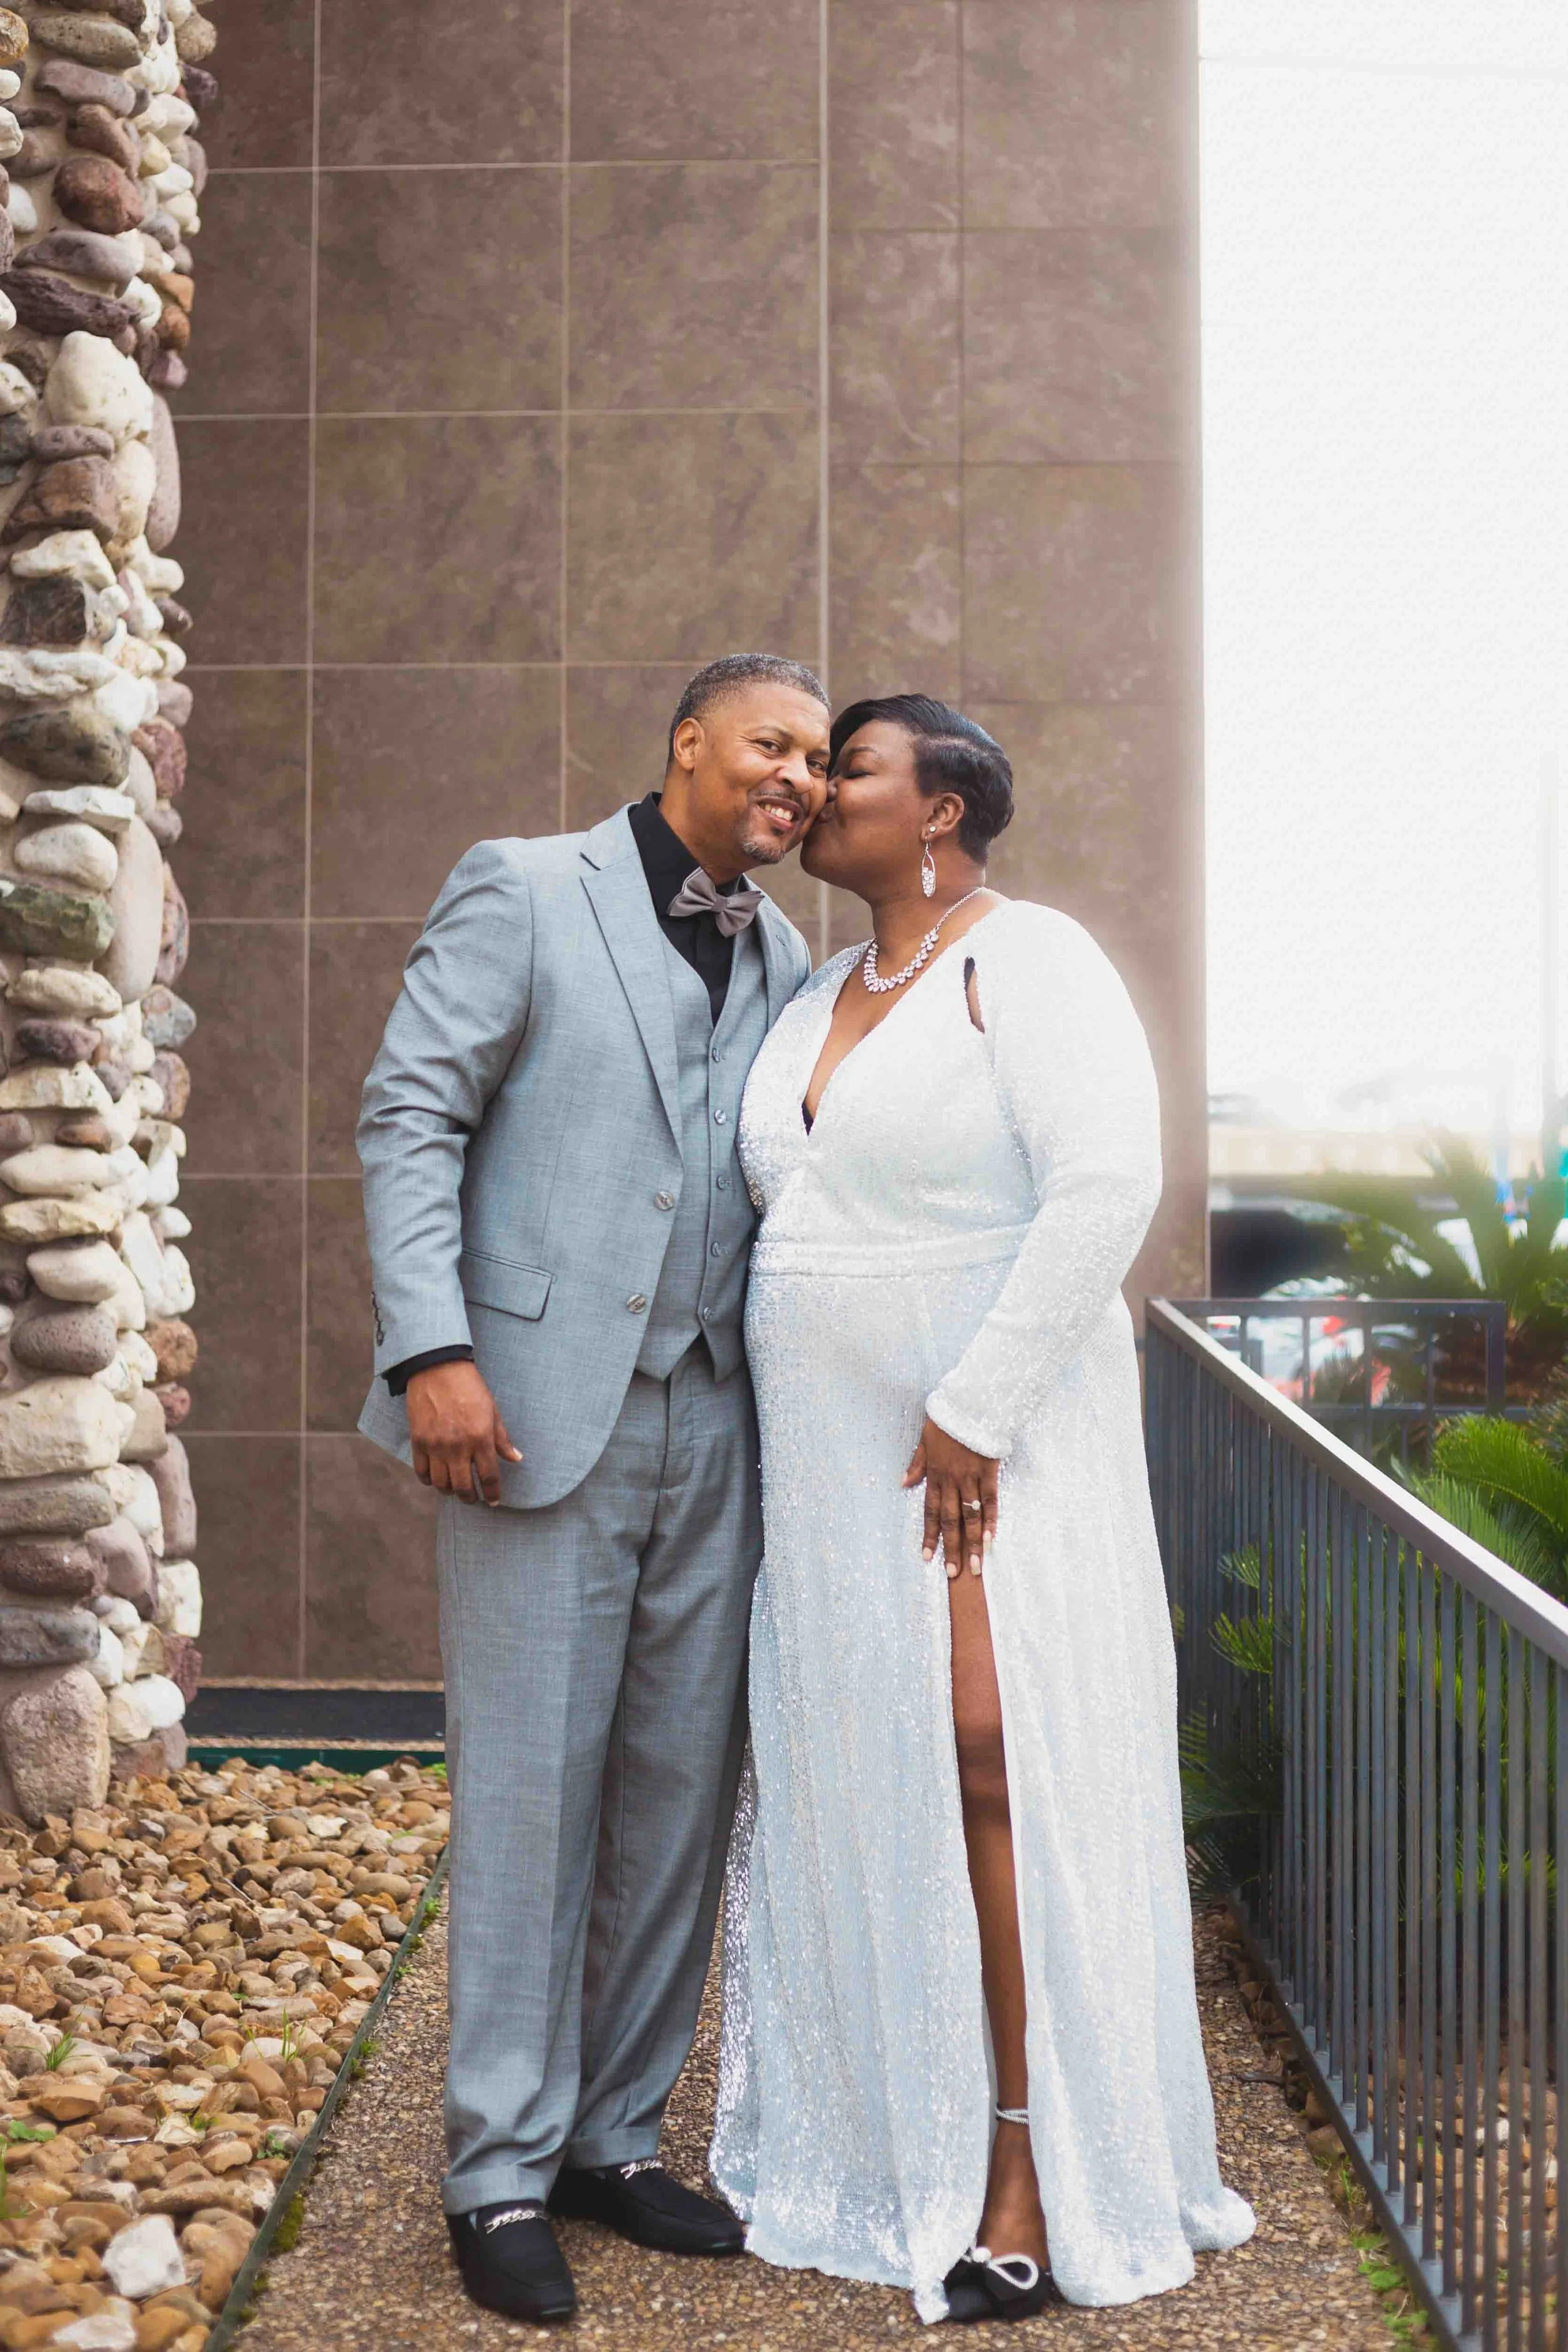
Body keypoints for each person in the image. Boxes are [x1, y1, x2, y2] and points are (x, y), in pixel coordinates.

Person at [712, 694, 1254, 2323]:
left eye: (853, 768)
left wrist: (974, 1407)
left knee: (989, 1755)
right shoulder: (813, 990)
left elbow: (1105, 1186)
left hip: (984, 1435)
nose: (819, 791)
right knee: (868, 1773)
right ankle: (890, 2136)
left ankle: (1026, 2156)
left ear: (940, 807)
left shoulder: (1034, 961)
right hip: (827, 1454)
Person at [356, 654, 831, 2325]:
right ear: (689, 741)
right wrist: (432, 1348)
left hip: (722, 1422)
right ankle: (495, 2165)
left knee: (674, 1795)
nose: (796, 777)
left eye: (817, 759)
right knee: (531, 1793)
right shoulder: (525, 885)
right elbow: (411, 1116)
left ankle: (612, 2137)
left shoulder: (786, 954)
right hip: (532, 1408)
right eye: (771, 742)